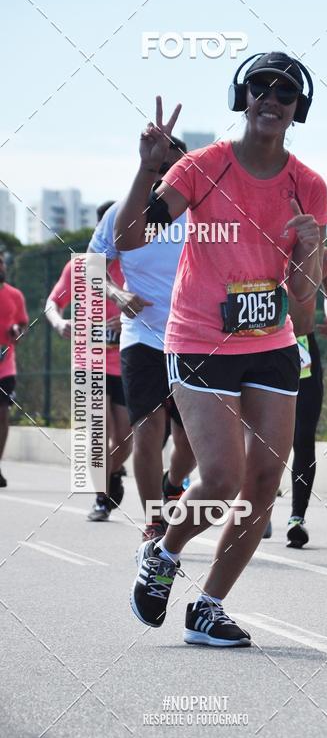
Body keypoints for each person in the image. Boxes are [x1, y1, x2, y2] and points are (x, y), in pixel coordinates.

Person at [119, 51, 327, 646]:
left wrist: (310, 247)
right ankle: (163, 555)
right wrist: (146, 168)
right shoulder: (203, 167)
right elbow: (133, 239)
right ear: (244, 97)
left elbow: (306, 306)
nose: (272, 99)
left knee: (263, 482)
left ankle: (208, 606)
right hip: (201, 340)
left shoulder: (307, 185)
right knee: (219, 479)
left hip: (272, 342)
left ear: (298, 109)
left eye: (285, 93)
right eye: (261, 87)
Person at [88, 138, 195, 542]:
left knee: (192, 443)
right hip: (142, 338)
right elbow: (93, 267)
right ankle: (154, 523)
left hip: (193, 338)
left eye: (174, 166)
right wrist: (117, 295)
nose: (166, 174)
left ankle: (174, 482)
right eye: (158, 166)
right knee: (147, 430)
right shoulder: (122, 214)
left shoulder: (203, 215)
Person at [45, 203, 132, 520]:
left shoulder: (136, 263)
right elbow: (52, 303)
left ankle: (112, 472)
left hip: (124, 363)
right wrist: (59, 323)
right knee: (98, 432)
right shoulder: (80, 267)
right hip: (88, 361)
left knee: (125, 439)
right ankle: (100, 498)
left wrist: (128, 322)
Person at [264, 246, 327, 546]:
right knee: (263, 437)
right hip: (264, 343)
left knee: (303, 436)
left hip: (302, 346)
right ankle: (261, 510)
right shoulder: (264, 244)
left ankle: (297, 517)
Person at [0, 251, 28, 488]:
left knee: (2, 415)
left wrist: (17, 330)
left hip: (5, 366)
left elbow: (23, 324)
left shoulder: (15, 295)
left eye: (1, 262)